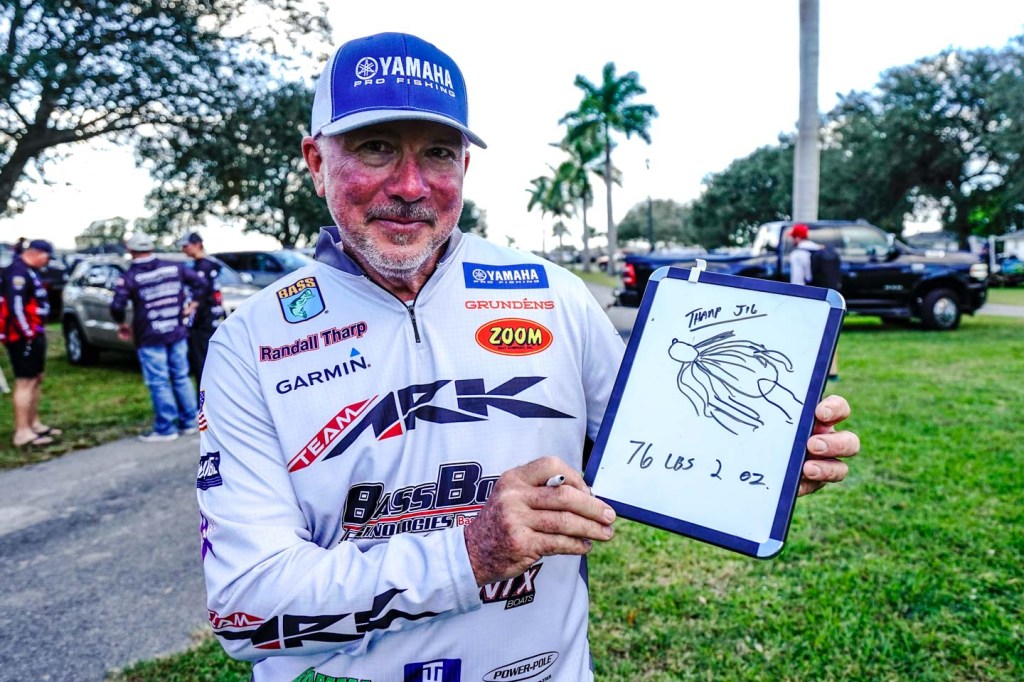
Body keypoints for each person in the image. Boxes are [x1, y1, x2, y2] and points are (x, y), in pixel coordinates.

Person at [197, 32, 860, 681]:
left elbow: (645, 453)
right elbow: (244, 610)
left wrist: (762, 461)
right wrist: (468, 555)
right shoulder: (250, 341)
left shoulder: (555, 296)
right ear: (316, 162)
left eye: (438, 153)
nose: (411, 185)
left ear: (465, 167)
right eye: (376, 148)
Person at [111, 233, 203, 442]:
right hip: (176, 330)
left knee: (159, 381)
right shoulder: (174, 267)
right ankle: (190, 421)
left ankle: (166, 428)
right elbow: (201, 283)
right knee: (181, 376)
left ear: (131, 251)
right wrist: (193, 304)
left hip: (149, 334)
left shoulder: (130, 276)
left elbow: (117, 305)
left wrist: (121, 324)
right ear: (152, 248)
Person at [1, 239, 62, 447]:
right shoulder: (17, 273)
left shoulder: (30, 271)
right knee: (25, 381)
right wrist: (27, 333)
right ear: (36, 253)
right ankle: (22, 432)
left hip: (34, 333)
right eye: (47, 257)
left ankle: (34, 424)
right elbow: (15, 306)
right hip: (21, 336)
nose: (47, 262)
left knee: (36, 378)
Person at [789, 223, 841, 379]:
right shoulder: (821, 250)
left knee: (806, 335)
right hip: (828, 300)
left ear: (797, 238)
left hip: (809, 300)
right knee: (829, 334)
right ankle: (832, 371)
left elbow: (797, 282)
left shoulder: (798, 254)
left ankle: (804, 371)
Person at [177, 231, 226, 390]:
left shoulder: (203, 266)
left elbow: (202, 292)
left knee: (202, 363)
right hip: (211, 320)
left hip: (204, 322)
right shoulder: (209, 264)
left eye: (186, 246)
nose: (183, 250)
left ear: (197, 245)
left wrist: (190, 308)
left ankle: (204, 399)